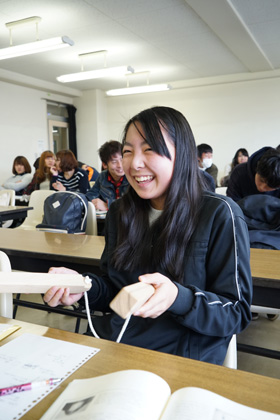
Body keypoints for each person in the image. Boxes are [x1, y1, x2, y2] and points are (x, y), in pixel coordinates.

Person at [43, 106, 252, 366]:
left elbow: (236, 313)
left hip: (180, 358)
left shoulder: (220, 214)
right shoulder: (121, 211)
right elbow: (118, 293)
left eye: (149, 149)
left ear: (182, 154)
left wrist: (178, 297)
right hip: (116, 345)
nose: (134, 163)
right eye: (128, 151)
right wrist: (83, 287)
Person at [86, 140, 129, 211]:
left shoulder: (131, 176)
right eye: (114, 162)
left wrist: (107, 205)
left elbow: (132, 204)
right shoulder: (102, 177)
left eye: (122, 160)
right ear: (105, 164)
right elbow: (90, 195)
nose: (120, 165)